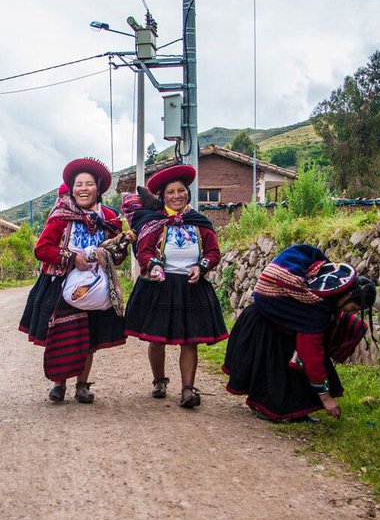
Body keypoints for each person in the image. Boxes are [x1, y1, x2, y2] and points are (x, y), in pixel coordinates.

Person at [222, 244, 376, 422]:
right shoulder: (315, 308)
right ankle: (269, 408)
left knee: (293, 363)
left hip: (275, 322)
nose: (351, 312)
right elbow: (311, 355)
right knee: (278, 367)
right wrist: (326, 398)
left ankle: (293, 410)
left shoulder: (320, 292)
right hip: (265, 325)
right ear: (347, 295)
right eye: (354, 307)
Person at [19, 157, 129, 403]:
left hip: (96, 284)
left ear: (98, 188)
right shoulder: (61, 216)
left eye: (89, 184)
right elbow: (42, 249)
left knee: (89, 336)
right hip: (62, 283)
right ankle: (59, 383)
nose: (83, 189)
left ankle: (82, 384)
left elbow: (120, 255)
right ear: (71, 188)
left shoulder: (110, 218)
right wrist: (71, 258)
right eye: (78, 184)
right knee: (63, 332)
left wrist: (112, 253)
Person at [122, 165, 227, 408]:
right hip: (160, 285)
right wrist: (153, 266)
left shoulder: (199, 222)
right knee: (156, 339)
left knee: (190, 340)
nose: (177, 195)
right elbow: (144, 251)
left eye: (181, 191)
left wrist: (201, 266)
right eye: (171, 192)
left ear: (188, 194)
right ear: (163, 196)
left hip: (192, 286)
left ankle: (188, 390)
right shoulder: (154, 222)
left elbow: (213, 252)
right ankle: (159, 380)